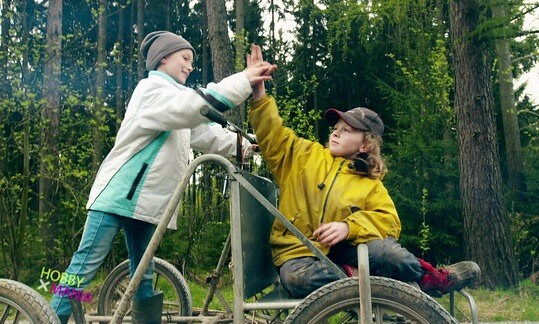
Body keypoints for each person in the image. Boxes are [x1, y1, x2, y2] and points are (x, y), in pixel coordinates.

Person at [50, 32, 274, 323]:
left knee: (143, 275)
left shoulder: (176, 101)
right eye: (185, 58)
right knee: (83, 267)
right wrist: (243, 80)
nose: (190, 66)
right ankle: (51, 316)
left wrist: (246, 144)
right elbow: (194, 107)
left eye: (191, 61)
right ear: (163, 58)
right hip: (116, 196)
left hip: (146, 204)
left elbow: (204, 133)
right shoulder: (151, 91)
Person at [246, 44, 480, 299]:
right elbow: (272, 135)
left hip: (348, 250)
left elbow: (389, 222)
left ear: (366, 143)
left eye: (346, 130)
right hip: (299, 253)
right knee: (297, 279)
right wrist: (259, 92)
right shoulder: (303, 155)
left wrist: (348, 228)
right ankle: (363, 281)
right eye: (335, 127)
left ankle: (434, 279)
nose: (335, 132)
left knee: (391, 254)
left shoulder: (370, 183)